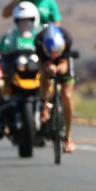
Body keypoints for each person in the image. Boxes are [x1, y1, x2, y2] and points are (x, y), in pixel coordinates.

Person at [0, 1, 42, 138]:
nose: (25, 23)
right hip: (15, 74)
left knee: (54, 88)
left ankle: (56, 121)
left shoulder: (41, 33)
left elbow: (50, 47)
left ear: (35, 20)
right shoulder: (10, 36)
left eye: (28, 20)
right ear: (15, 21)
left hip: (37, 73)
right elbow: (1, 49)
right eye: (21, 21)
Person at [35, 23, 76, 153]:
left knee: (67, 95)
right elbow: (43, 62)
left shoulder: (67, 38)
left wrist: (63, 64)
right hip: (44, 60)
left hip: (64, 59)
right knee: (45, 78)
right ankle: (43, 104)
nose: (53, 56)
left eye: (55, 53)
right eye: (50, 53)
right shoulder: (39, 40)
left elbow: (65, 61)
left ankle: (68, 138)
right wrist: (48, 64)